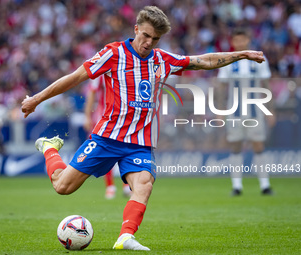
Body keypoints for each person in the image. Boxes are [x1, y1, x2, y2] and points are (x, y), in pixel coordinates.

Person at [21, 6, 266, 250]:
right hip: (107, 138)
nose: (149, 42)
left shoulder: (163, 59)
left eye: (155, 38)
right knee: (63, 187)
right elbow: (75, 77)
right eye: (145, 36)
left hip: (140, 143)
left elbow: (202, 61)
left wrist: (242, 54)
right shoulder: (113, 53)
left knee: (144, 184)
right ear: (136, 29)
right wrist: (36, 99)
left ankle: (125, 237)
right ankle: (50, 148)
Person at [217, 28, 275, 196]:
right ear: (233, 42)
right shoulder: (228, 60)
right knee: (235, 145)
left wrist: (270, 110)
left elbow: (266, 85)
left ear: (248, 40)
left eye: (243, 39)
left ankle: (265, 185)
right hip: (234, 110)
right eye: (237, 40)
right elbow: (221, 87)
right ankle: (237, 186)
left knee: (258, 144)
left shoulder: (258, 58)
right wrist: (220, 110)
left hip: (255, 110)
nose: (240, 42)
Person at [83, 76, 131, 199]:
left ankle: (126, 184)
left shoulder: (125, 66)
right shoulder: (99, 72)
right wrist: (87, 116)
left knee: (124, 148)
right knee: (106, 149)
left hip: (123, 116)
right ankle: (110, 186)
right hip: (104, 117)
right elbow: (92, 93)